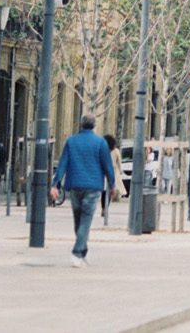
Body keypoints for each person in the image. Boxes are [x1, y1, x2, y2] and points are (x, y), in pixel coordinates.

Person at [52, 113, 117, 268]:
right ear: (94, 125)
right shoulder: (100, 143)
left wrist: (55, 184)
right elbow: (108, 166)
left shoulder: (71, 141)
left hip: (75, 184)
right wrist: (112, 184)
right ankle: (77, 253)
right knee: (86, 220)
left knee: (78, 219)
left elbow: (63, 163)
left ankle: (82, 251)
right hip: (93, 186)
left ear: (81, 124)